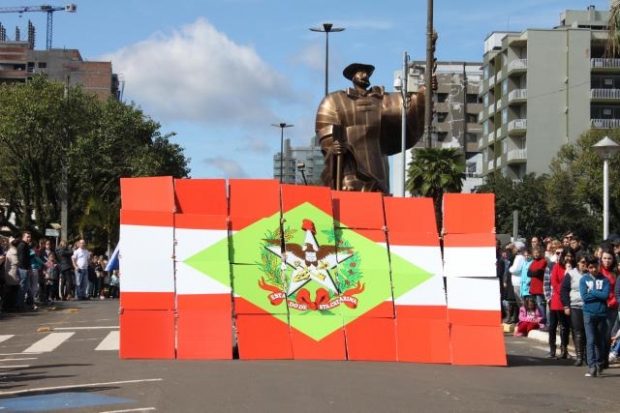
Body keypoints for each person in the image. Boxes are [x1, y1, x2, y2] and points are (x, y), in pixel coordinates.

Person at [314, 62, 431, 194]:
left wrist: (424, 93)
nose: (365, 75)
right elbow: (325, 130)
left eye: (367, 73)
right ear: (352, 76)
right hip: (349, 168)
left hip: (377, 165)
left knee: (379, 196)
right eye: (360, 72)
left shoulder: (382, 99)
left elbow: (409, 109)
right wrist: (333, 147)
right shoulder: (335, 100)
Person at [580, 256, 610, 377]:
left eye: (595, 266)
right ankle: (592, 366)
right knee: (590, 340)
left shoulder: (605, 280)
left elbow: (605, 295)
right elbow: (584, 297)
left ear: (599, 266)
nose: (593, 269)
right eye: (590, 267)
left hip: (602, 313)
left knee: (599, 341)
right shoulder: (584, 279)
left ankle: (600, 364)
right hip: (588, 313)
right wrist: (598, 294)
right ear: (587, 268)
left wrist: (591, 291)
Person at [561, 250, 588, 366]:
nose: (584, 265)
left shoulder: (591, 274)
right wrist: (566, 305)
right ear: (577, 262)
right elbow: (564, 290)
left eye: (586, 263)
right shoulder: (571, 274)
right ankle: (579, 356)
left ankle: (588, 356)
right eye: (582, 262)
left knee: (588, 332)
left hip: (588, 306)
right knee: (578, 332)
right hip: (575, 306)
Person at [547, 249, 574, 359]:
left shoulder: (574, 269)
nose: (568, 258)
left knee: (564, 327)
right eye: (566, 256)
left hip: (568, 300)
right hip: (557, 300)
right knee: (552, 326)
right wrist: (566, 274)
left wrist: (569, 271)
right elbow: (554, 283)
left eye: (570, 256)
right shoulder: (557, 267)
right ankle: (552, 349)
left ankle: (564, 349)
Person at [598, 248, 618, 368]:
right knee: (599, 333)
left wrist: (612, 302)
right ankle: (599, 357)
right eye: (605, 258)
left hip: (612, 306)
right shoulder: (598, 271)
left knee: (607, 334)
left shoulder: (616, 272)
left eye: (609, 258)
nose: (607, 261)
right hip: (600, 305)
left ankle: (604, 358)